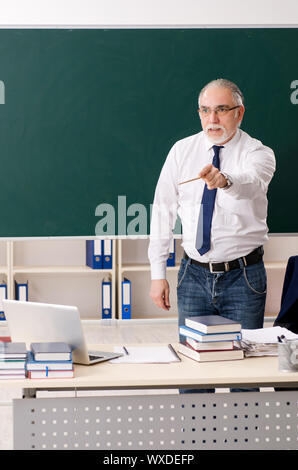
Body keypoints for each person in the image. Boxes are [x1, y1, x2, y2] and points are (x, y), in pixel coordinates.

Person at [148, 78, 276, 340]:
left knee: (242, 372)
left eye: (221, 109)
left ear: (239, 113)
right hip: (192, 276)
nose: (212, 118)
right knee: (194, 374)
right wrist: (157, 274)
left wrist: (224, 181)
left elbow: (251, 184)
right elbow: (162, 212)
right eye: (205, 110)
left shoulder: (258, 153)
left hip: (244, 277)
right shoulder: (181, 151)